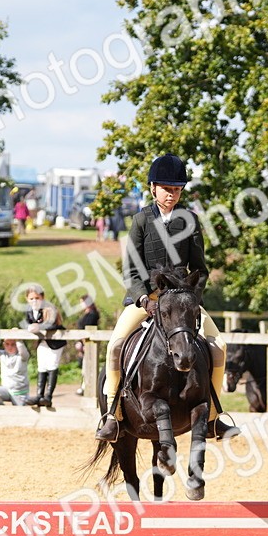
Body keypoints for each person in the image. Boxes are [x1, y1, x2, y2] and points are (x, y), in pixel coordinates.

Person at [96, 154, 239, 442]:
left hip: (182, 303)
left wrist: (192, 299)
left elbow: (199, 268)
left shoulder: (190, 220)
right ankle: (113, 415)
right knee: (115, 346)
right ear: (153, 188)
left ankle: (213, 418)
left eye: (176, 190)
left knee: (219, 346)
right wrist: (143, 300)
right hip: (147, 300)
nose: (171, 195)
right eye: (166, 189)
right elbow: (131, 270)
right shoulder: (140, 220)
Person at [24, 284, 66, 407]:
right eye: (31, 298)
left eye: (37, 298)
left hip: (55, 342)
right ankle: (39, 395)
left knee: (52, 365)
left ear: (42, 297)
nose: (34, 301)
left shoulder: (49, 308)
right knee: (41, 367)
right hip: (42, 341)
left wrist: (39, 327)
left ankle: (48, 396)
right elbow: (28, 322)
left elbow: (54, 324)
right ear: (27, 299)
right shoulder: (29, 311)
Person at [0, 336, 31, 406]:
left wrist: (18, 338)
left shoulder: (23, 356)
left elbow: (22, 351)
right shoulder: (2, 354)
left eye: (13, 344)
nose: (10, 347)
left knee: (21, 413)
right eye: (7, 344)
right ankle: (1, 410)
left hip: (19, 393)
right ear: (4, 344)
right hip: (6, 390)